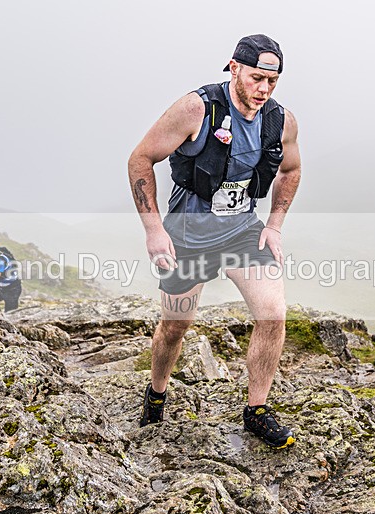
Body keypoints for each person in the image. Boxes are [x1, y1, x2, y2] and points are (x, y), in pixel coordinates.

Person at [128, 34, 301, 448]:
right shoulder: (196, 108)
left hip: (242, 231)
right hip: (189, 235)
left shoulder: (281, 121)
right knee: (175, 326)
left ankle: (256, 409)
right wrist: (154, 230)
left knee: (273, 315)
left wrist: (274, 226)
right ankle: (156, 393)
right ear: (234, 67)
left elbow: (291, 170)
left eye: (272, 82)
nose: (264, 89)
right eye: (257, 78)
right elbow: (140, 159)